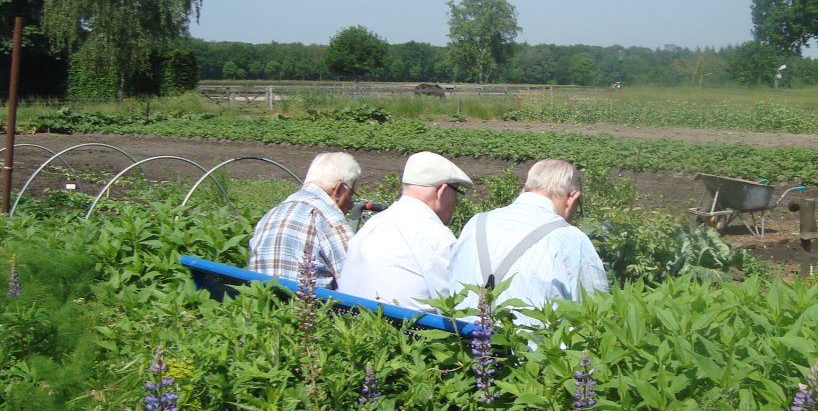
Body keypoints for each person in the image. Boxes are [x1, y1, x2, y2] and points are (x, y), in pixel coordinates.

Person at [448, 158, 608, 325]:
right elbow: (596, 310)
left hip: (463, 342)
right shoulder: (572, 239)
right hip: (531, 349)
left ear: (523, 190)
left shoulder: (476, 223)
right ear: (572, 199)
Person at [337, 152, 473, 310]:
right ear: (441, 191)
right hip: (405, 330)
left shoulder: (373, 224)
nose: (456, 202)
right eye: (456, 193)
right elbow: (456, 304)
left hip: (354, 323)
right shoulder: (435, 236)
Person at [247, 152, 360, 288]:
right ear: (340, 189)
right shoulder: (329, 218)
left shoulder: (272, 214)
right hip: (305, 306)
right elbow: (355, 280)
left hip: (263, 304)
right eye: (352, 194)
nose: (352, 203)